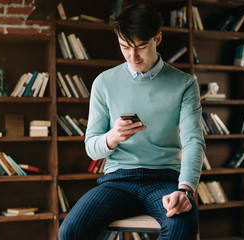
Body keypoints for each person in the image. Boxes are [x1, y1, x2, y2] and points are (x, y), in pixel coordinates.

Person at [58, 3, 205, 240]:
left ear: (157, 38)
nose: (132, 56)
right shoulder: (104, 82)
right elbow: (91, 148)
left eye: (141, 47)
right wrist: (113, 136)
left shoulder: (185, 84)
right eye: (125, 47)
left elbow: (193, 141)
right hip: (117, 181)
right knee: (70, 232)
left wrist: (185, 190)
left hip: (164, 179)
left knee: (182, 227)